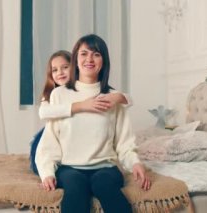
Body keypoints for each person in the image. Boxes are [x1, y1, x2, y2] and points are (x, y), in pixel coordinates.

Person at [35, 34, 151, 213]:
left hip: (106, 168)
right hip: (70, 168)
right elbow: (50, 143)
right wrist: (47, 173)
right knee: (75, 188)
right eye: (83, 54)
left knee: (104, 184)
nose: (89, 59)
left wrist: (135, 163)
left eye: (96, 54)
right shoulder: (59, 95)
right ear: (75, 59)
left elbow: (124, 143)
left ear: (103, 61)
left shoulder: (113, 97)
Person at [30, 50, 130, 175]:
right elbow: (43, 112)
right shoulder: (51, 93)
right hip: (55, 132)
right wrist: (80, 106)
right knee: (42, 142)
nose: (60, 73)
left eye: (65, 67)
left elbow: (127, 99)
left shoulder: (84, 89)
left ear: (75, 67)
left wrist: (119, 97)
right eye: (54, 70)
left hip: (75, 135)